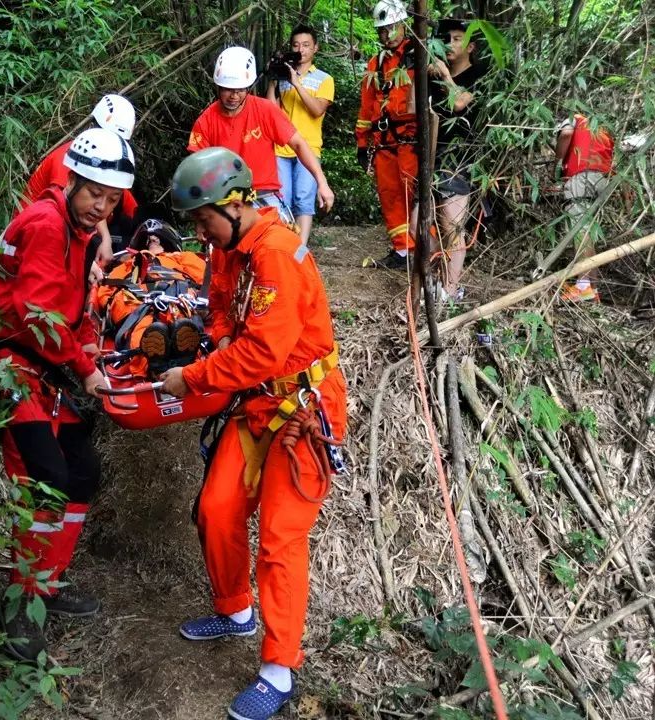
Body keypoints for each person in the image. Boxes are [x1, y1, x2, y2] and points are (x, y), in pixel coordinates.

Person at [159, 147, 347, 720]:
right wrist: (213, 340)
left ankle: (279, 667)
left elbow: (266, 351)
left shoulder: (277, 255)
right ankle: (234, 609)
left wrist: (191, 378)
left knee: (281, 540)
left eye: (202, 219)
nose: (199, 232)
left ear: (234, 204)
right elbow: (220, 310)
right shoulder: (231, 250)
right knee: (216, 510)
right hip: (257, 406)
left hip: (302, 413)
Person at [0, 127, 135, 662]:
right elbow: (33, 316)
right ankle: (22, 601)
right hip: (15, 362)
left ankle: (47, 581)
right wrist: (84, 367)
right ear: (74, 180)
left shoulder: (77, 230)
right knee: (46, 477)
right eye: (95, 194)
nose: (101, 208)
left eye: (112, 201)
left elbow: (72, 309)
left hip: (47, 362)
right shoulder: (47, 224)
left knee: (82, 471)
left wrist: (91, 351)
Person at [188, 46, 335, 225]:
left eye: (240, 90)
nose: (234, 96)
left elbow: (298, 144)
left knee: (278, 247)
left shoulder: (265, 110)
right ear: (218, 87)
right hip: (224, 200)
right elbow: (196, 170)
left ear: (248, 87)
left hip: (265, 195)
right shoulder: (206, 121)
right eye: (228, 89)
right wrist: (201, 218)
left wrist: (322, 182)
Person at [20, 94, 139, 263]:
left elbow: (130, 208)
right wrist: (103, 240)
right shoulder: (77, 158)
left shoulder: (106, 167)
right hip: (36, 237)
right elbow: (73, 205)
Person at [94, 220, 206, 377]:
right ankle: (153, 359)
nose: (152, 243)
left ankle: (182, 353)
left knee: (180, 317)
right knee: (140, 320)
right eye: (148, 241)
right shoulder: (129, 265)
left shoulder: (182, 258)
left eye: (156, 240)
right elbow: (106, 294)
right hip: (139, 302)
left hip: (176, 295)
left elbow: (208, 281)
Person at [356, 0, 419, 269]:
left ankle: (424, 250)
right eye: (382, 30)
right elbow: (367, 106)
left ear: (403, 25)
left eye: (391, 28)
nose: (387, 35)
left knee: (414, 195)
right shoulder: (376, 63)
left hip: (411, 142)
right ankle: (402, 251)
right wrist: (362, 143)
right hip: (384, 143)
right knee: (390, 196)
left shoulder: (418, 56)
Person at [428, 18, 488, 302]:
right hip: (432, 158)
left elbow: (459, 103)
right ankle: (436, 284)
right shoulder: (433, 77)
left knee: (452, 226)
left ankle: (450, 291)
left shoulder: (480, 74)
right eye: (446, 38)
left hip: (461, 159)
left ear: (471, 46)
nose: (449, 44)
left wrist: (445, 78)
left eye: (456, 38)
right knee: (427, 222)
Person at [265, 24, 334, 244]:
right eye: (296, 45)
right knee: (281, 200)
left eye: (306, 45)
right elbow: (271, 112)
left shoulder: (324, 79)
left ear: (315, 48)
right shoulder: (282, 79)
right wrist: (274, 79)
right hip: (281, 147)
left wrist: (296, 83)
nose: (301, 50)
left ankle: (300, 249)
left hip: (309, 146)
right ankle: (286, 245)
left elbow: (317, 110)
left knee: (303, 198)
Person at [555, 112, 614, 302]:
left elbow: (565, 134)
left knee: (580, 230)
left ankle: (583, 286)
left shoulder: (575, 118)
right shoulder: (603, 126)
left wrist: (558, 161)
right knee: (588, 231)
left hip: (582, 177)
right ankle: (591, 289)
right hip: (603, 179)